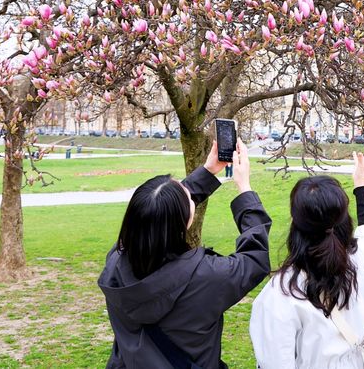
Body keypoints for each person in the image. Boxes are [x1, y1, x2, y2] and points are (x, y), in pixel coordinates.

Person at [99, 138, 271, 369]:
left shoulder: (115, 265)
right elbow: (254, 258)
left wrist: (209, 171)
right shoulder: (206, 276)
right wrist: (244, 188)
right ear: (184, 222)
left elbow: (158, 212)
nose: (189, 194)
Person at [250, 147, 364, 368]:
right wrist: (361, 183)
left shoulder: (280, 293)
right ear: (343, 218)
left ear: (296, 224)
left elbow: (275, 361)